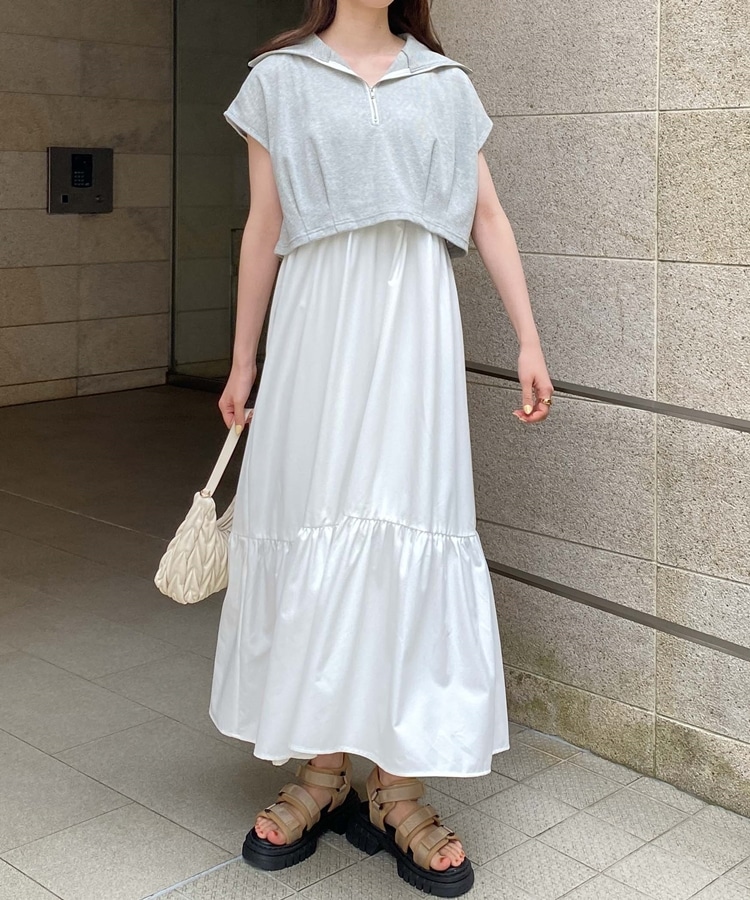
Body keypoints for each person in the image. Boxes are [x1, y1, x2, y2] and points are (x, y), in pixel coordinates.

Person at [210, 0, 554, 895]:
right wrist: (244, 357)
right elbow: (263, 225)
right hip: (316, 326)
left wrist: (528, 339)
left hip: (415, 330)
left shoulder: (444, 83)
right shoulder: (278, 78)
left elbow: (487, 216)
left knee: (409, 524)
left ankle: (396, 786)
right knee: (316, 520)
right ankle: (324, 770)